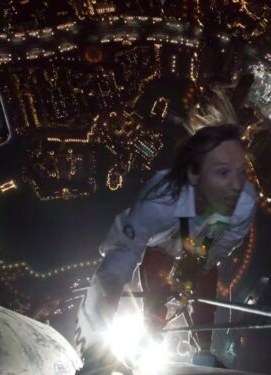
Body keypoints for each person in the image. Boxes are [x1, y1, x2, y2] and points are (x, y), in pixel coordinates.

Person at [75, 123, 257, 373]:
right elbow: (113, 271)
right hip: (158, 242)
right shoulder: (160, 200)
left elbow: (226, 242)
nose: (237, 185)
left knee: (201, 280)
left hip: (196, 240)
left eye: (241, 172)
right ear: (194, 174)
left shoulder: (244, 203)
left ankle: (203, 349)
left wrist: (201, 262)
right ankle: (152, 328)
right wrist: (94, 349)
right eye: (223, 172)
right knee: (158, 287)